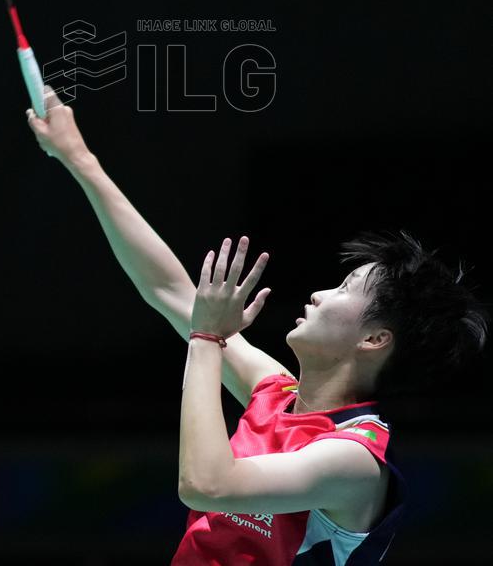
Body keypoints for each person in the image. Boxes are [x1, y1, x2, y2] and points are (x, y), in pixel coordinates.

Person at [26, 89, 488, 565]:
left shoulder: (354, 460)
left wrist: (206, 338)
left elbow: (206, 485)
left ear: (375, 339)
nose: (319, 295)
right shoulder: (276, 393)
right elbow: (171, 292)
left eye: (345, 289)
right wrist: (78, 157)